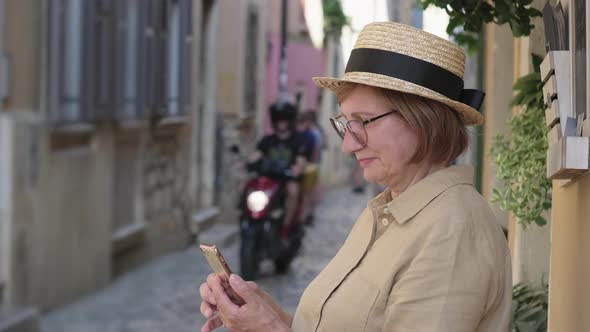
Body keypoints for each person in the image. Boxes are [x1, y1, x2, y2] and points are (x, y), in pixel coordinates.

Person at [199, 21, 511, 332]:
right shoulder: (386, 210)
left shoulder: (451, 232)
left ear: (423, 120)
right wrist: (264, 312)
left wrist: (270, 329)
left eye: (364, 121)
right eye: (346, 124)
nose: (348, 144)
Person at [247, 101, 309, 228]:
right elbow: (257, 154)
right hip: (269, 178)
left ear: (289, 121)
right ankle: (245, 214)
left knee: (293, 192)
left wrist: (297, 169)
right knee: (247, 186)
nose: (281, 123)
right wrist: (247, 163)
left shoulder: (297, 140)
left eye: (284, 120)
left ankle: (285, 226)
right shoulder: (267, 140)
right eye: (279, 120)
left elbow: (301, 160)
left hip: (287, 179)